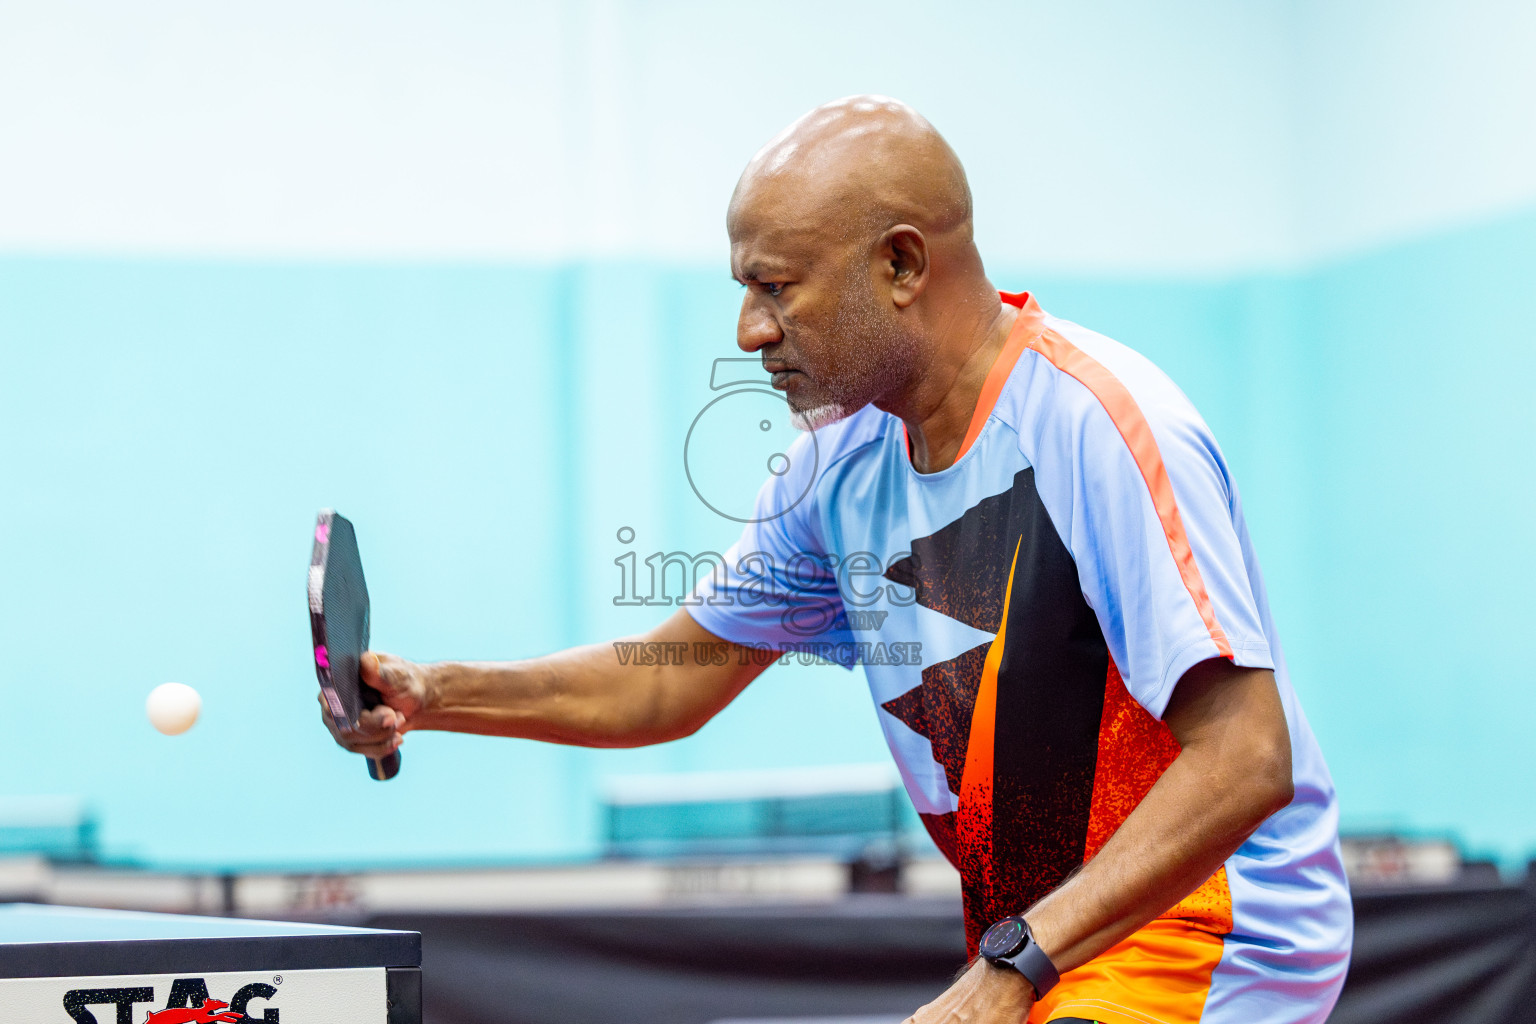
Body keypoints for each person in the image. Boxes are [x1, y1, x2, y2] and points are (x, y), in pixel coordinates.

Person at [322, 96, 1353, 1024]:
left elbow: (1247, 755)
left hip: (1206, 939)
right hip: (1053, 955)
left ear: (902, 266)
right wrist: (433, 692)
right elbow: (664, 681)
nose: (749, 329)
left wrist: (1010, 968)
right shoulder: (839, 467)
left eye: (777, 287)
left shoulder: (1104, 427)